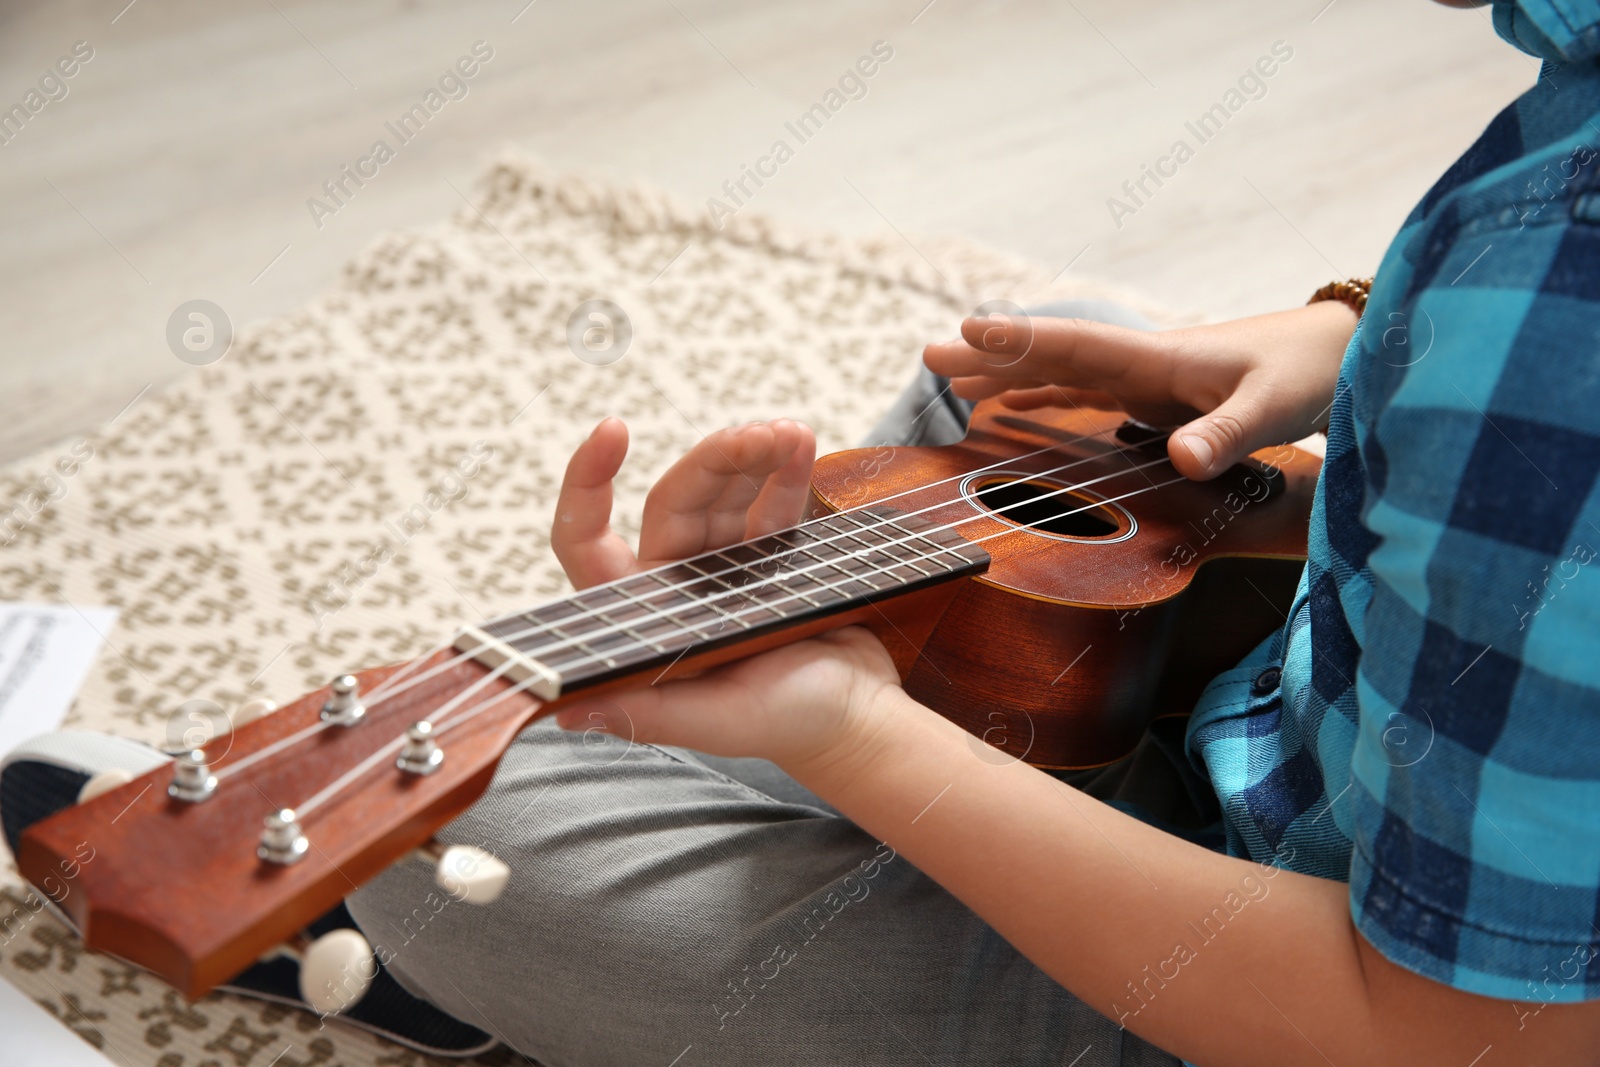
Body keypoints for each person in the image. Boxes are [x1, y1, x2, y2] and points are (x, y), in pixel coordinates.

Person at [7, 1, 1598, 1063]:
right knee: (1015, 392)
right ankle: (1016, 704)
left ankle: (488, 937)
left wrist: (856, 738)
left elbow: (1456, 1037)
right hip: (1380, 731)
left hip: (1354, 1000)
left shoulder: (1558, 289)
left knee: (466, 859)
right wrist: (1344, 330)